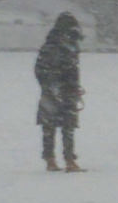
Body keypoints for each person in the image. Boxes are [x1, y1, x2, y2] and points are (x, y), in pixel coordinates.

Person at [34, 11, 83, 172]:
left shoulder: (53, 45)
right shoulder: (61, 47)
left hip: (56, 90)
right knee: (65, 126)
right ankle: (66, 160)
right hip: (60, 90)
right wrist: (60, 85)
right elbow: (46, 70)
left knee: (51, 126)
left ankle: (52, 159)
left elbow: (40, 69)